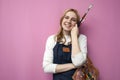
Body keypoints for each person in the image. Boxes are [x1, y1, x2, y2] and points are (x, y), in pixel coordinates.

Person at [43, 8, 88, 80]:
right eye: (66, 17)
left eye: (73, 20)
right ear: (62, 20)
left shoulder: (82, 38)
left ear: (77, 24)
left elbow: (78, 62)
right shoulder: (52, 39)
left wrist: (74, 36)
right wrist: (73, 66)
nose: (69, 21)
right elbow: (46, 67)